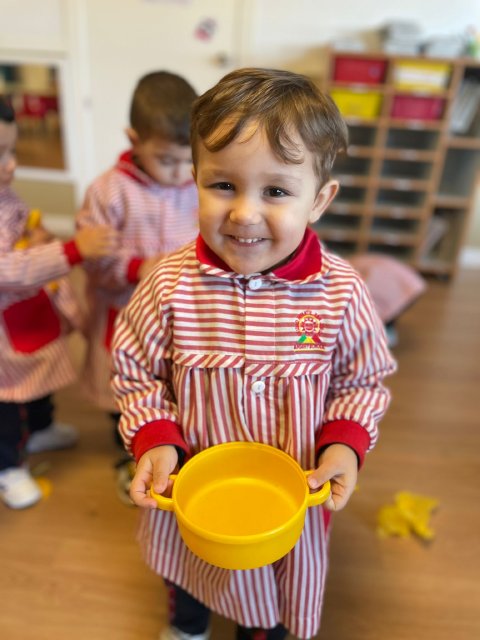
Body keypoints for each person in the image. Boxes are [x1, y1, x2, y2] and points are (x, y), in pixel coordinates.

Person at [111, 68, 397, 640]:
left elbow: (362, 380)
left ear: (319, 200)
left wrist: (344, 443)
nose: (244, 213)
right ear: (194, 181)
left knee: (271, 599)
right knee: (188, 577)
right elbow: (135, 370)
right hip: (194, 491)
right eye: (223, 185)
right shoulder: (168, 285)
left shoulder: (339, 292)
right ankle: (188, 626)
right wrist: (155, 438)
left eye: (276, 191)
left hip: (287, 502)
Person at [75, 71, 199, 502]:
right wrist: (135, 267)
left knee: (173, 381)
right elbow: (93, 260)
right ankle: (130, 457)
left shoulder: (197, 184)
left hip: (180, 313)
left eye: (187, 160)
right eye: (166, 160)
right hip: (123, 312)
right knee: (124, 386)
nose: (179, 172)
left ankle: (170, 446)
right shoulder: (108, 192)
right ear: (134, 139)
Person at [0, 97, 119, 509]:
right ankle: (8, 466)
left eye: (12, 150)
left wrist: (38, 238)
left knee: (39, 378)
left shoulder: (5, 193)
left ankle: (41, 426)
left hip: (26, 312)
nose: (12, 165)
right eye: (1, 154)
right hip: (5, 330)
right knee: (8, 400)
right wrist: (70, 250)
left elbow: (20, 231)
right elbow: (6, 268)